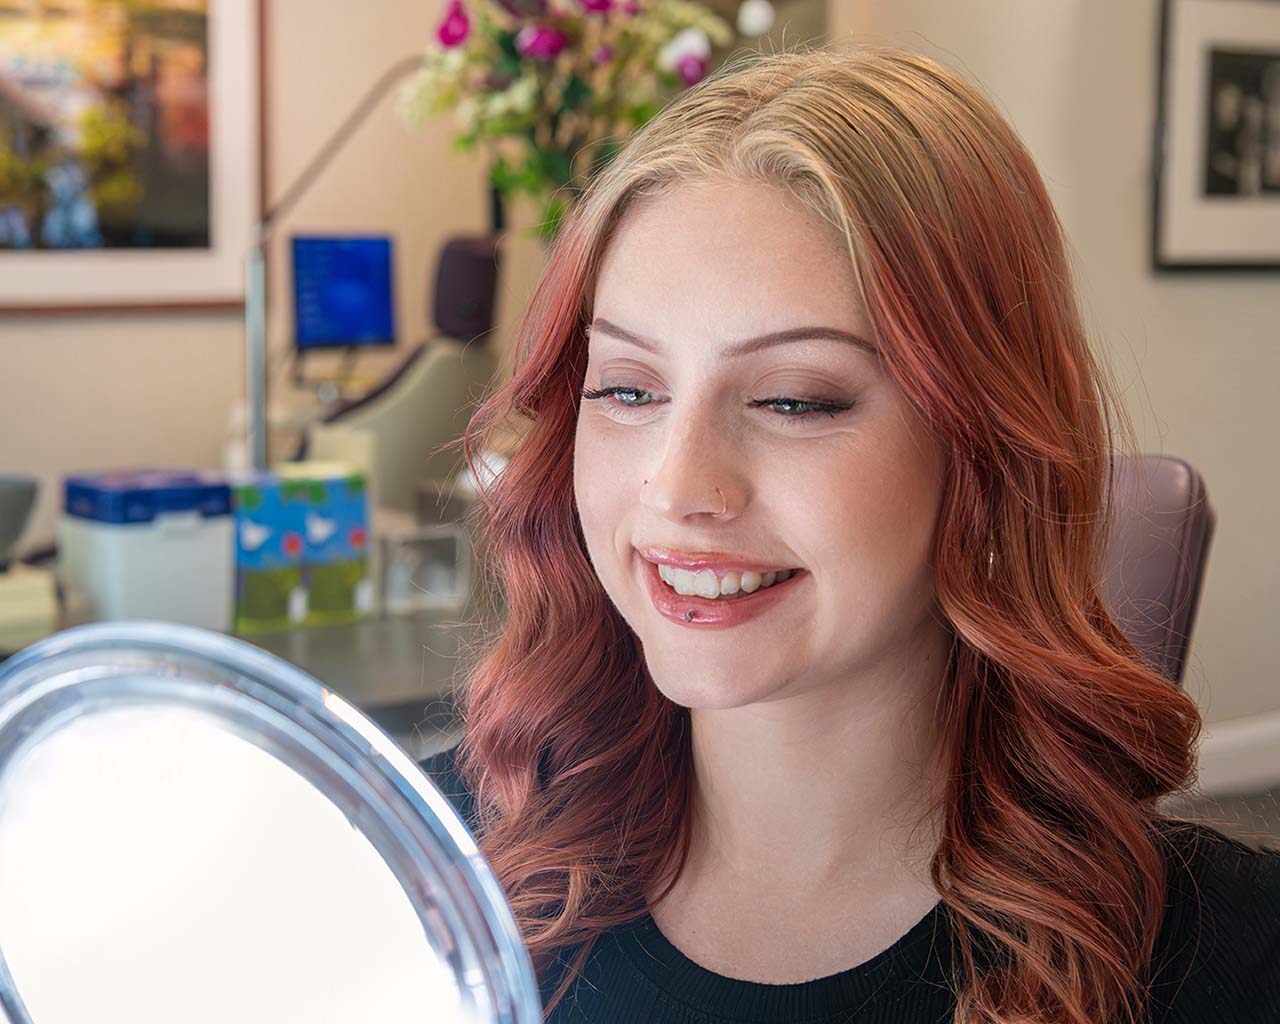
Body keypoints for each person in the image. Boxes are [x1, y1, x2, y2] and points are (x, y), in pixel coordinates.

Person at [421, 43, 1280, 1023]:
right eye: (625, 388)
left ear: (982, 452)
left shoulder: (1230, 965)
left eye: (793, 400)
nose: (677, 485)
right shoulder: (427, 859)